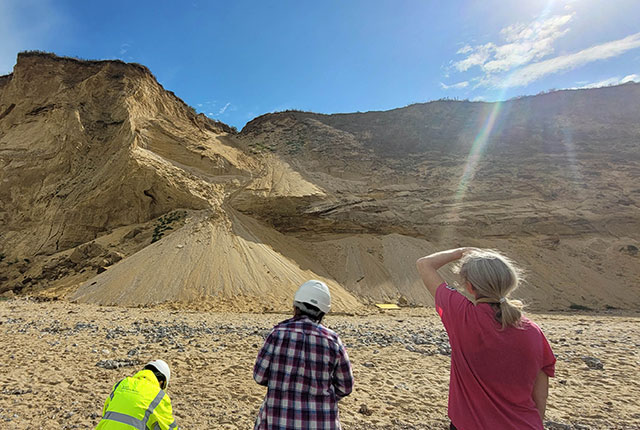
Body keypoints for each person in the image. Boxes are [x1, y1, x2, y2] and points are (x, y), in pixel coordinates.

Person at [416, 248, 556, 430]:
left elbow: (424, 264)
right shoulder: (533, 331)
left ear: (470, 287)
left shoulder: (462, 317)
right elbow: (540, 394)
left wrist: (460, 252)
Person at [253, 280, 354, 430]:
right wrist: (322, 397)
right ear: (322, 312)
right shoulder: (333, 341)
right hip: (323, 423)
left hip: (277, 422)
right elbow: (346, 386)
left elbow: (259, 376)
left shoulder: (277, 334)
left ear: (296, 307)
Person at [96, 359, 178, 429]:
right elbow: (168, 426)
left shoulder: (122, 384)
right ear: (161, 382)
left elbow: (106, 411)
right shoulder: (159, 396)